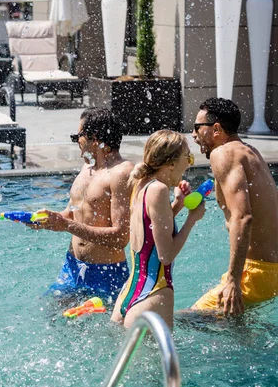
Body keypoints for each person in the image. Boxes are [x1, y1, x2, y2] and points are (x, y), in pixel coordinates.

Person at [31, 108, 134, 301]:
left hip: (106, 273)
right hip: (71, 267)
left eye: (77, 136)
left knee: (104, 330)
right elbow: (73, 213)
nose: (76, 141)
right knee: (53, 319)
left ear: (94, 138)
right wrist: (49, 220)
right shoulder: (87, 168)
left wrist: (67, 226)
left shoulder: (121, 173)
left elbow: (121, 237)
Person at [191, 98, 278, 316]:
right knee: (230, 319)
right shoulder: (250, 151)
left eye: (197, 128)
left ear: (216, 129)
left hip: (256, 272)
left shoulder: (223, 153)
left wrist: (232, 279)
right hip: (270, 271)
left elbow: (243, 218)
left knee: (187, 319)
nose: (193, 135)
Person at [111, 130, 205, 329]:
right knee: (165, 361)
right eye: (188, 157)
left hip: (129, 294)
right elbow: (166, 255)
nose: (190, 163)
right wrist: (192, 219)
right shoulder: (159, 190)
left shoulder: (141, 185)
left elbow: (151, 232)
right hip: (154, 293)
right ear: (171, 163)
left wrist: (178, 204)